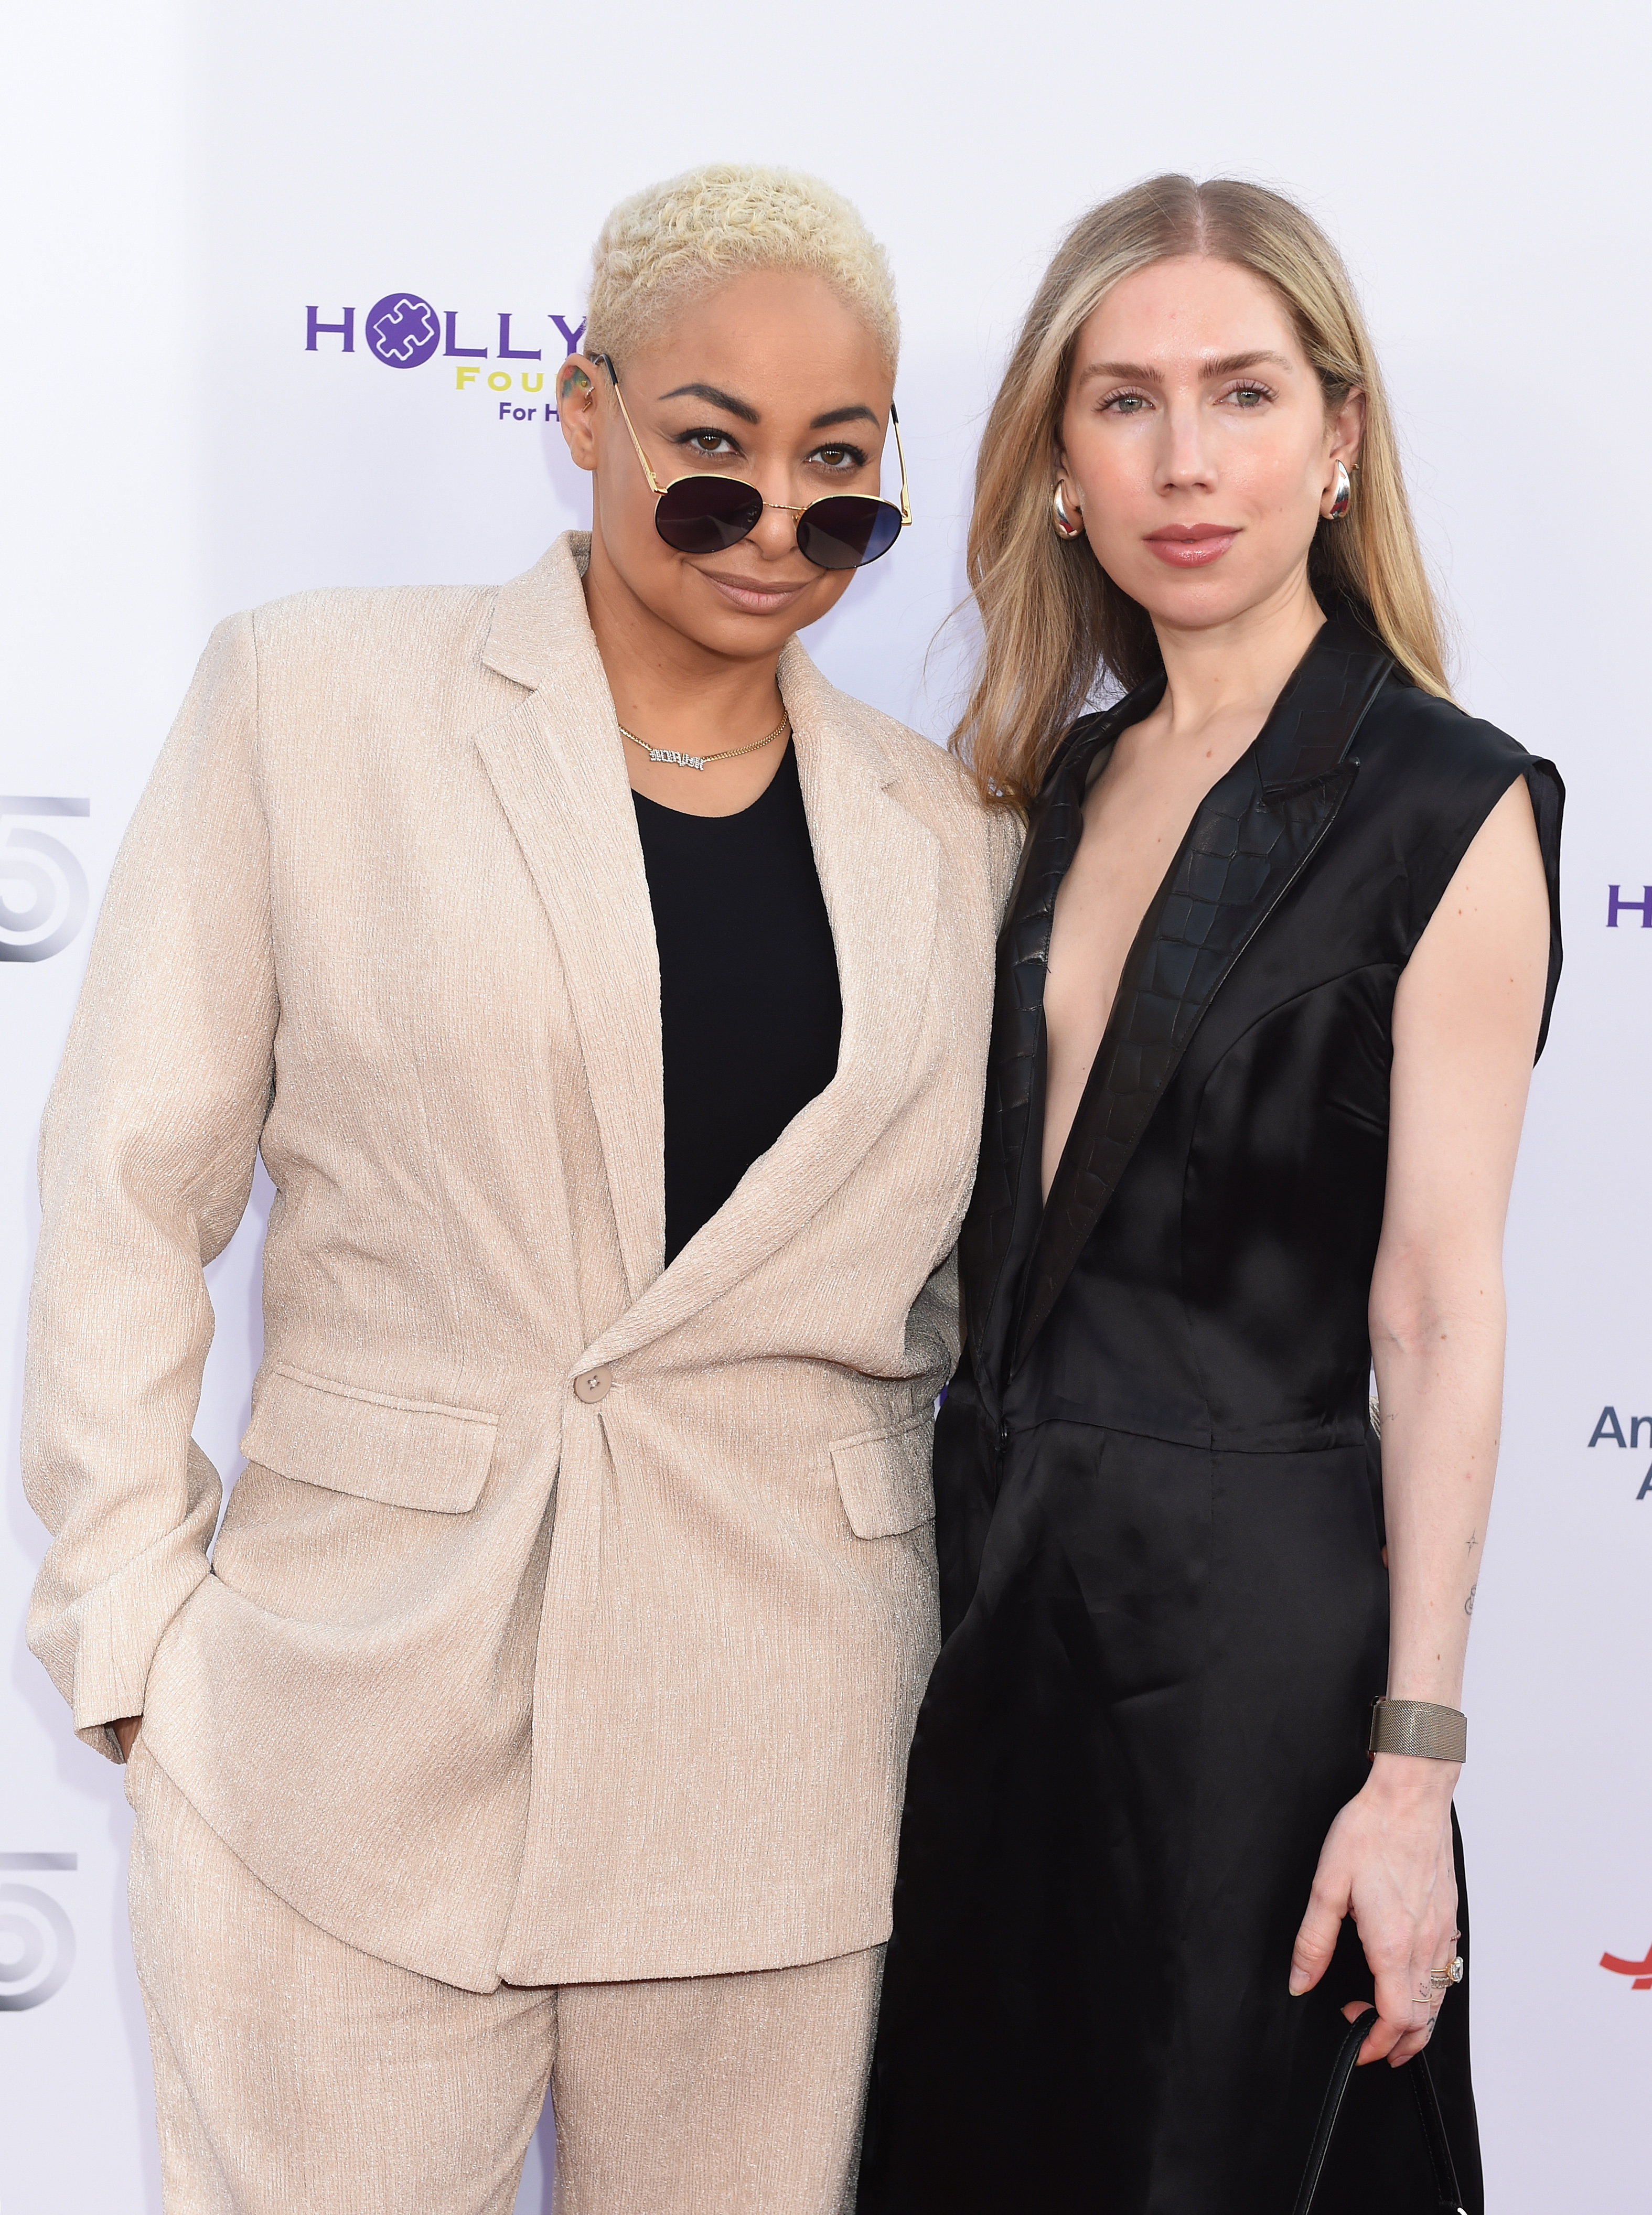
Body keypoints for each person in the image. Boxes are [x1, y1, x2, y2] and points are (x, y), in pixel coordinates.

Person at [23, 163, 1016, 2215]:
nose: (770, 531)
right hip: (343, 1734)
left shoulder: (953, 838)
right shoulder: (315, 701)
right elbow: (131, 1176)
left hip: (778, 1746)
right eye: (708, 458)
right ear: (582, 414)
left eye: (838, 476)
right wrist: (131, 1623)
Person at [856, 175, 1561, 2215]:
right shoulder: (1046, 785)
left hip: (1251, 1661)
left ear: (1338, 441)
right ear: (1055, 463)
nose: (1184, 461)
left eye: (1242, 394)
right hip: (992, 1632)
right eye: (1124, 402)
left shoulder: (1447, 803)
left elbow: (1433, 1312)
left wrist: (1406, 1773)